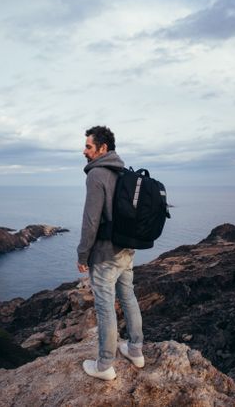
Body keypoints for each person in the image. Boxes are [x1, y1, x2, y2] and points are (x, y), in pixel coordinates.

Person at [77, 125, 144, 381]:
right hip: (127, 248)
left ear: (103, 148)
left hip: (105, 253)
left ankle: (104, 365)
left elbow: (91, 221)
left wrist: (83, 255)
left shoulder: (96, 175)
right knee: (128, 297)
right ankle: (136, 350)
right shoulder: (122, 172)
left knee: (105, 307)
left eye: (88, 146)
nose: (84, 151)